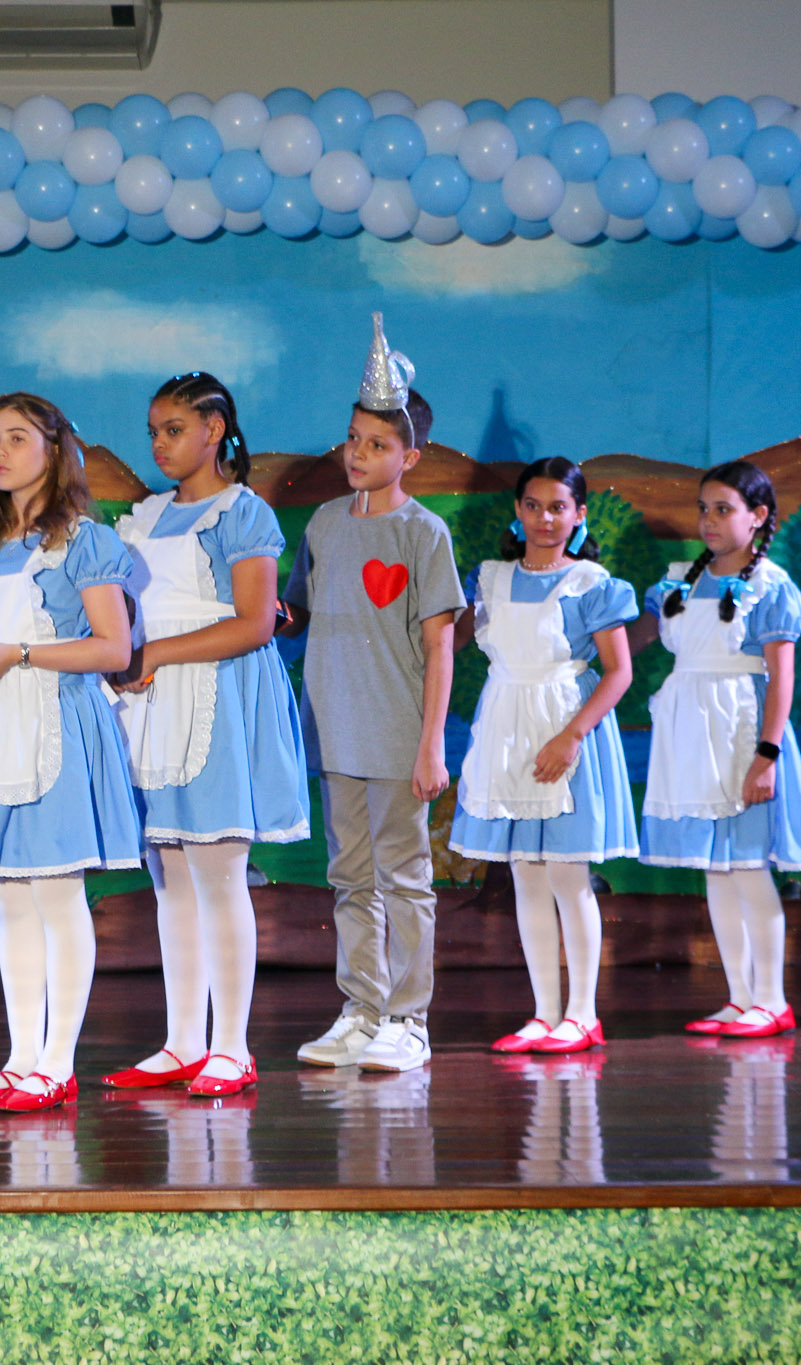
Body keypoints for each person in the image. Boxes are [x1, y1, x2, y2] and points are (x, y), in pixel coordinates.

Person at [0, 392, 142, 1114]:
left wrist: (18, 653)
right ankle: (20, 1059)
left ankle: (58, 1062)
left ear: (54, 450)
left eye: (17, 438)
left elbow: (113, 647)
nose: (0, 452)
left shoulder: (82, 542)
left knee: (54, 894)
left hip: (55, 723)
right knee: (10, 898)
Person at [100, 372, 308, 1099]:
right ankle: (183, 1039)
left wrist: (153, 653)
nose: (159, 444)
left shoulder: (241, 513)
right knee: (170, 880)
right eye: (154, 431)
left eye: (175, 429)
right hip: (151, 706)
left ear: (214, 430)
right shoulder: (144, 517)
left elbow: (254, 622)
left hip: (216, 698)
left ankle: (232, 1045)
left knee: (219, 877)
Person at [282, 315, 464, 1074]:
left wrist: (431, 743)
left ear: (409, 457)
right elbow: (296, 612)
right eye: (353, 439)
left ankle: (408, 1018)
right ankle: (361, 1008)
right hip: (336, 729)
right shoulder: (325, 523)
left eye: (378, 444)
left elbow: (439, 643)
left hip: (396, 733)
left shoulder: (423, 534)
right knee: (350, 877)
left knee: (405, 876)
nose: (358, 454)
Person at [627, 460, 801, 1039]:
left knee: (747, 866)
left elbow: (782, 676)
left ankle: (772, 999)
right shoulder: (677, 583)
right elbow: (635, 640)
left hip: (742, 730)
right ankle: (739, 998)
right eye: (703, 509)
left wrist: (767, 755)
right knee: (716, 869)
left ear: (758, 516)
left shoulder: (772, 586)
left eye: (723, 509)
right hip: (691, 735)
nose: (709, 521)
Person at [449, 457, 638, 1056]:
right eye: (533, 506)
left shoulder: (591, 582)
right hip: (507, 724)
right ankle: (544, 1012)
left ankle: (582, 1014)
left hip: (563, 725)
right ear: (517, 510)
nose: (544, 518)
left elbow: (619, 671)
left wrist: (572, 735)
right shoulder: (490, 579)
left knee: (566, 874)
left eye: (558, 507)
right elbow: (451, 639)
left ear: (579, 514)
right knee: (525, 875)